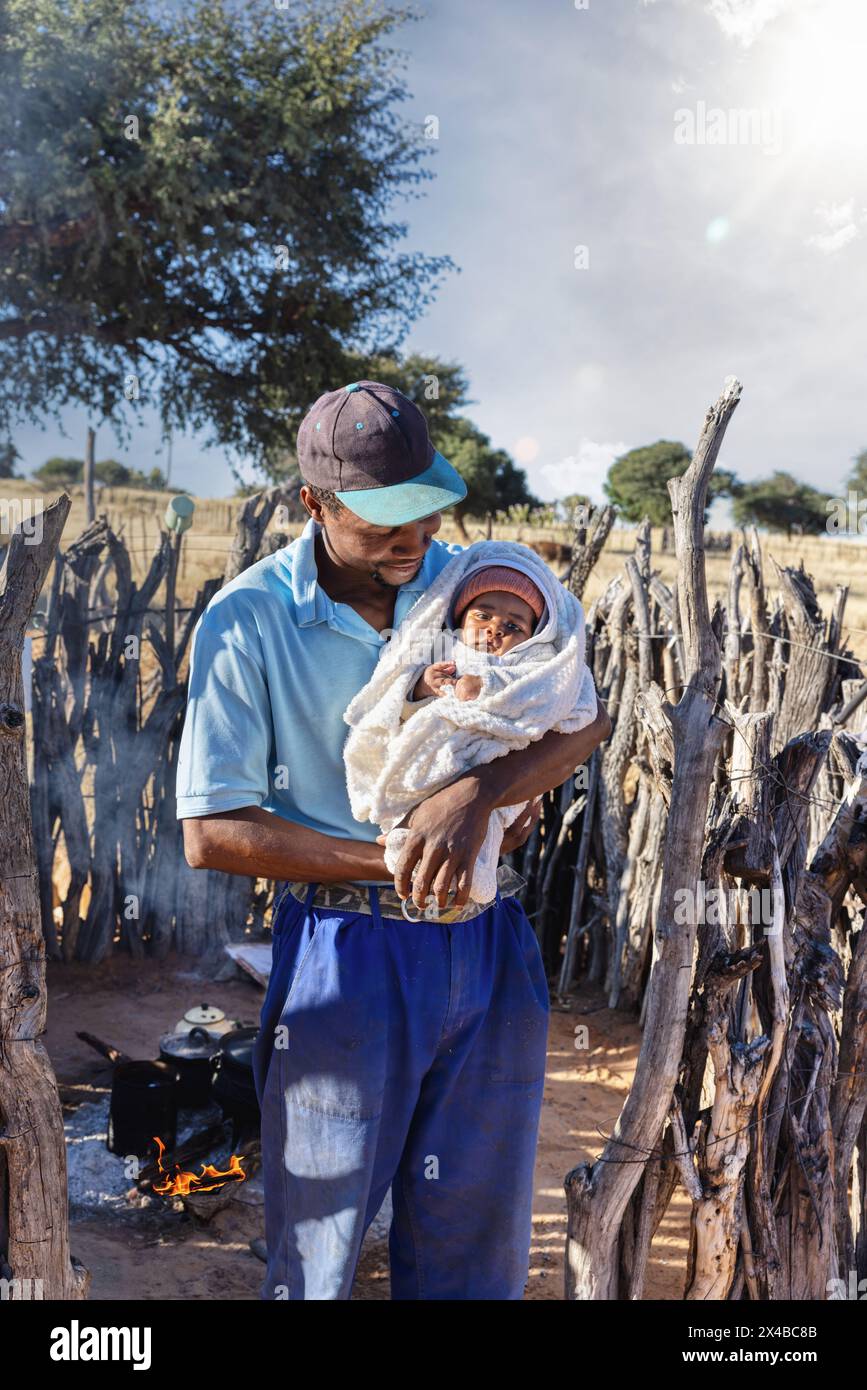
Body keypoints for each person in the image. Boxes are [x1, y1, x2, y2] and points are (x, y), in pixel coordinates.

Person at [176, 379, 612, 1300]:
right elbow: (212, 833)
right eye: (381, 528)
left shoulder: (479, 585)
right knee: (321, 1246)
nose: (411, 545)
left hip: (487, 947)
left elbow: (583, 718)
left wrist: (481, 796)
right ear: (314, 504)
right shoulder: (247, 620)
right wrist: (409, 856)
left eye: (423, 518)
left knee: (472, 1241)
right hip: (349, 952)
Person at [342, 548, 600, 906]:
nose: (495, 629)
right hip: (435, 751)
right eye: (482, 615)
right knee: (418, 787)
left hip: (492, 754)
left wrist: (489, 690)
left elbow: (558, 703)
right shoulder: (443, 648)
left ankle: (473, 879)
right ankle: (408, 840)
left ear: (535, 635)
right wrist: (421, 687)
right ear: (460, 616)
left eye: (514, 626)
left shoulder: (533, 663)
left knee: (488, 824)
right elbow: (398, 708)